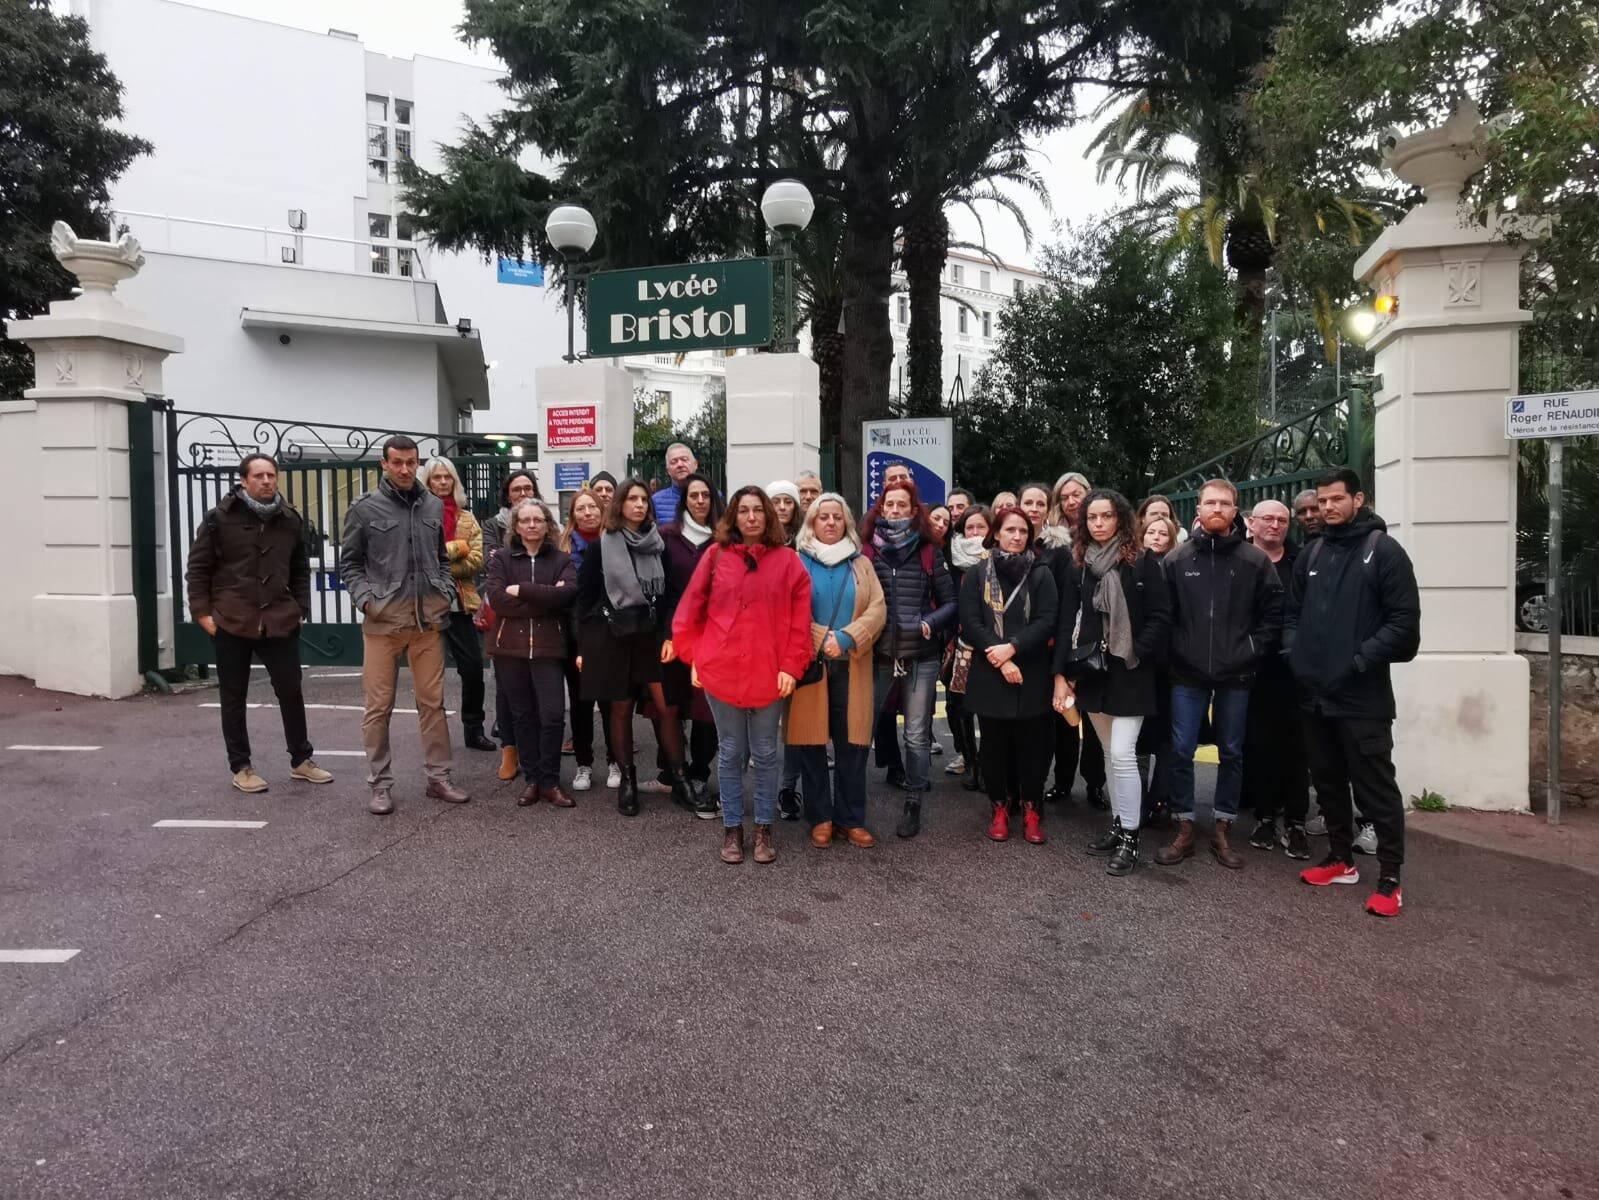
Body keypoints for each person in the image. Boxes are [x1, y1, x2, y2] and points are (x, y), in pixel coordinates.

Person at [1286, 468, 1420, 918]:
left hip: (1362, 698)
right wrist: (1295, 655)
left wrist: (1358, 661)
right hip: (1314, 695)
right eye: (1322, 500)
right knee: (1326, 782)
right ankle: (1341, 860)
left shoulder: (1384, 551)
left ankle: (1390, 879)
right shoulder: (1313, 551)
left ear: (1358, 499)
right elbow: (1292, 615)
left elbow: (1404, 626)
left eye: (1336, 499)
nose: (1327, 507)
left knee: (1375, 788)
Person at [673, 486, 813, 865]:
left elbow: (800, 622)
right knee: (731, 751)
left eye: (758, 510)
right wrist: (695, 656)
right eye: (744, 510)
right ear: (733, 516)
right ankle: (732, 828)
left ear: (768, 516)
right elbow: (691, 609)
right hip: (722, 669)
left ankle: (764, 828)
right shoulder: (715, 556)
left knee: (765, 753)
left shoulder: (788, 561)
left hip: (770, 672)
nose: (751, 517)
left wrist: (791, 666)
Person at [1152, 479, 1283, 871]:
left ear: (1235, 512)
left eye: (1224, 503)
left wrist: (1251, 650)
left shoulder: (1254, 560)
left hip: (1236, 674)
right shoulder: (1176, 560)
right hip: (1186, 673)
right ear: (1198, 509)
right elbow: (1163, 616)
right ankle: (1184, 826)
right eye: (1210, 502)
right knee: (1181, 750)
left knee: (1231, 751)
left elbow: (1273, 614)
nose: (1217, 509)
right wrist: (1177, 652)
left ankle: (1223, 827)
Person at [185, 453, 331, 793]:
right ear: (244, 480)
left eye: (271, 475)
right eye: (259, 475)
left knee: (291, 690)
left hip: (279, 620)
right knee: (233, 697)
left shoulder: (290, 519)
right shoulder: (218, 519)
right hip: (232, 620)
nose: (266, 481)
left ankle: (301, 760)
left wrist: (300, 608)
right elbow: (198, 570)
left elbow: (299, 568)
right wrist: (203, 615)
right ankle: (241, 767)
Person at [339, 436, 469, 815]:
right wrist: (366, 601)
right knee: (378, 707)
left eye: (411, 462)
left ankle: (438, 778)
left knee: (433, 704)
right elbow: (350, 564)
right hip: (383, 623)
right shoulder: (364, 508)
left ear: (417, 463)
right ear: (384, 464)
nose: (405, 469)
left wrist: (445, 590)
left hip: (427, 621)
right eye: (397, 462)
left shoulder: (432, 504)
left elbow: (441, 557)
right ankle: (380, 785)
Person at [1052, 489, 1172, 875]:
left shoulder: (1142, 562)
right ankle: (1119, 826)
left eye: (1106, 516)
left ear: (1120, 518)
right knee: (1107, 753)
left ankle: (1131, 837)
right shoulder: (1079, 565)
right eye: (1092, 517)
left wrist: (1136, 652)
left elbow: (1161, 617)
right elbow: (1067, 620)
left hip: (1131, 670)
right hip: (1092, 671)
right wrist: (1062, 673)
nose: (1099, 523)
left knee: (1122, 753)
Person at [575, 477, 695, 815]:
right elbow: (584, 600)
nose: (639, 505)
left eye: (644, 499)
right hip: (614, 636)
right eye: (632, 499)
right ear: (619, 505)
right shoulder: (602, 546)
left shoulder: (659, 544)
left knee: (667, 708)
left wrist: (670, 634)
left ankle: (680, 779)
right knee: (621, 709)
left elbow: (671, 595)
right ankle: (627, 781)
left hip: (653, 635)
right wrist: (584, 646)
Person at [788, 494, 887, 848]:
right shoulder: (797, 561)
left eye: (837, 517)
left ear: (846, 522)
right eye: (823, 516)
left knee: (853, 746)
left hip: (853, 664)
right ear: (811, 523)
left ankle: (851, 818)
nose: (830, 522)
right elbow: (788, 609)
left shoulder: (862, 563)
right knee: (811, 744)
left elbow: (877, 608)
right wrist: (821, 639)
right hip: (811, 665)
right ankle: (820, 817)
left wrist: (846, 638)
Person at [862, 478, 958, 838]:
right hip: (878, 654)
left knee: (916, 735)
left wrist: (929, 623)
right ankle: (852, 802)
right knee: (863, 728)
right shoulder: (867, 550)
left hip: (921, 654)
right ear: (880, 508)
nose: (895, 510)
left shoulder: (929, 550)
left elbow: (951, 603)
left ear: (914, 509)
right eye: (889, 504)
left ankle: (913, 800)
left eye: (902, 504)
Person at [959, 506, 1059, 845]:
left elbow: (1047, 619)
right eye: (1010, 530)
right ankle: (999, 807)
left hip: (1032, 670)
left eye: (1023, 531)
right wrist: (1001, 658)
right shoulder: (977, 573)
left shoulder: (1041, 573)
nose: (1017, 537)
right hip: (990, 671)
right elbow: (971, 621)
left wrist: (1013, 648)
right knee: (993, 747)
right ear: (996, 533)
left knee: (1033, 747)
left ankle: (1032, 809)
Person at [486, 498, 578, 807]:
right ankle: (533, 780)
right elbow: (498, 600)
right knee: (522, 716)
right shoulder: (502, 559)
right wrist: (546, 599)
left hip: (549, 648)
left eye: (538, 519)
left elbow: (567, 595)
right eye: (525, 520)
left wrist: (523, 591)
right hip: (509, 649)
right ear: (515, 526)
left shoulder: (562, 559)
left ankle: (550, 781)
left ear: (548, 524)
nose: (531, 525)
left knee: (552, 716)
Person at [1238, 498, 1313, 859]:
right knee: (1259, 746)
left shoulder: (1303, 561)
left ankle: (1296, 822)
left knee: (1297, 749)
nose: (1275, 525)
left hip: (1296, 670)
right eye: (1267, 518)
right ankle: (1264, 817)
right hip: (1253, 668)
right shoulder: (1238, 560)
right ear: (1251, 523)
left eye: (1282, 520)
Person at [657, 472, 722, 817]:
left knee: (705, 709)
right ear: (684, 501)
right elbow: (663, 590)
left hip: (712, 635)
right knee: (671, 704)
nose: (699, 501)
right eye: (694, 495)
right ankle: (674, 771)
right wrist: (668, 633)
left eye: (705, 495)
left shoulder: (723, 539)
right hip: (674, 631)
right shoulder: (668, 537)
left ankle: (699, 772)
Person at [421, 458, 495, 753]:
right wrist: (456, 549)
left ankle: (473, 730)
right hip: (426, 605)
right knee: (428, 675)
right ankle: (432, 734)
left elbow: (477, 560)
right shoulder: (417, 517)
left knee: (473, 670)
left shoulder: (467, 518)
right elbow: (417, 560)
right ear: (427, 482)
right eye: (436, 477)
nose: (442, 482)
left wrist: (440, 559)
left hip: (460, 604)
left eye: (447, 477)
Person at [1044, 472, 1107, 811]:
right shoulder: (1052, 542)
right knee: (1065, 715)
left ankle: (1095, 784)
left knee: (1095, 716)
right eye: (1064, 496)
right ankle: (1063, 782)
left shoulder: (1104, 535)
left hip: (1097, 637)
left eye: (1077, 493)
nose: (1071, 501)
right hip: (1063, 636)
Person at [557, 487, 616, 791]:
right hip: (575, 634)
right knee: (580, 702)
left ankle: (615, 761)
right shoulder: (563, 548)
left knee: (610, 703)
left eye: (592, 506)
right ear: (573, 515)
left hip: (608, 633)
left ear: (601, 510)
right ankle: (584, 764)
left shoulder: (614, 542)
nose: (587, 512)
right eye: (580, 508)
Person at [1135, 513, 1180, 827]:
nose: (1157, 538)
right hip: (1141, 663)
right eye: (1151, 532)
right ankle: (1135, 798)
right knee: (1137, 736)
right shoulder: (1135, 567)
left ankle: (1160, 796)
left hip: (1171, 666)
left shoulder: (1179, 569)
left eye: (1163, 533)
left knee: (1167, 735)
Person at [945, 505, 991, 791]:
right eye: (969, 527)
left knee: (988, 710)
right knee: (960, 709)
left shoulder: (997, 559)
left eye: (980, 527)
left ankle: (987, 766)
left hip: (989, 646)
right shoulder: (952, 558)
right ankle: (971, 763)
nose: (974, 533)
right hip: (959, 645)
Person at [651, 443, 699, 525]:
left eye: (684, 460)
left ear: (695, 464)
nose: (680, 465)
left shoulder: (712, 496)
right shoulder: (655, 501)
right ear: (668, 471)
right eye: (674, 462)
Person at [768, 479, 804, 545]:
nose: (782, 507)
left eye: (788, 502)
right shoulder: (760, 538)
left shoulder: (805, 539)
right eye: (776, 502)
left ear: (795, 507)